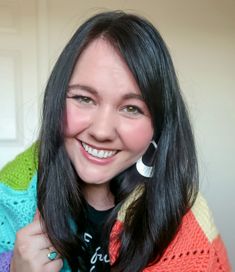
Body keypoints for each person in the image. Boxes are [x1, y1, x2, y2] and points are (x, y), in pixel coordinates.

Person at [0, 11, 231, 272]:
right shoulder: (13, 188)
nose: (101, 131)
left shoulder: (188, 220)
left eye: (131, 108)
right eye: (84, 98)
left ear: (158, 124)